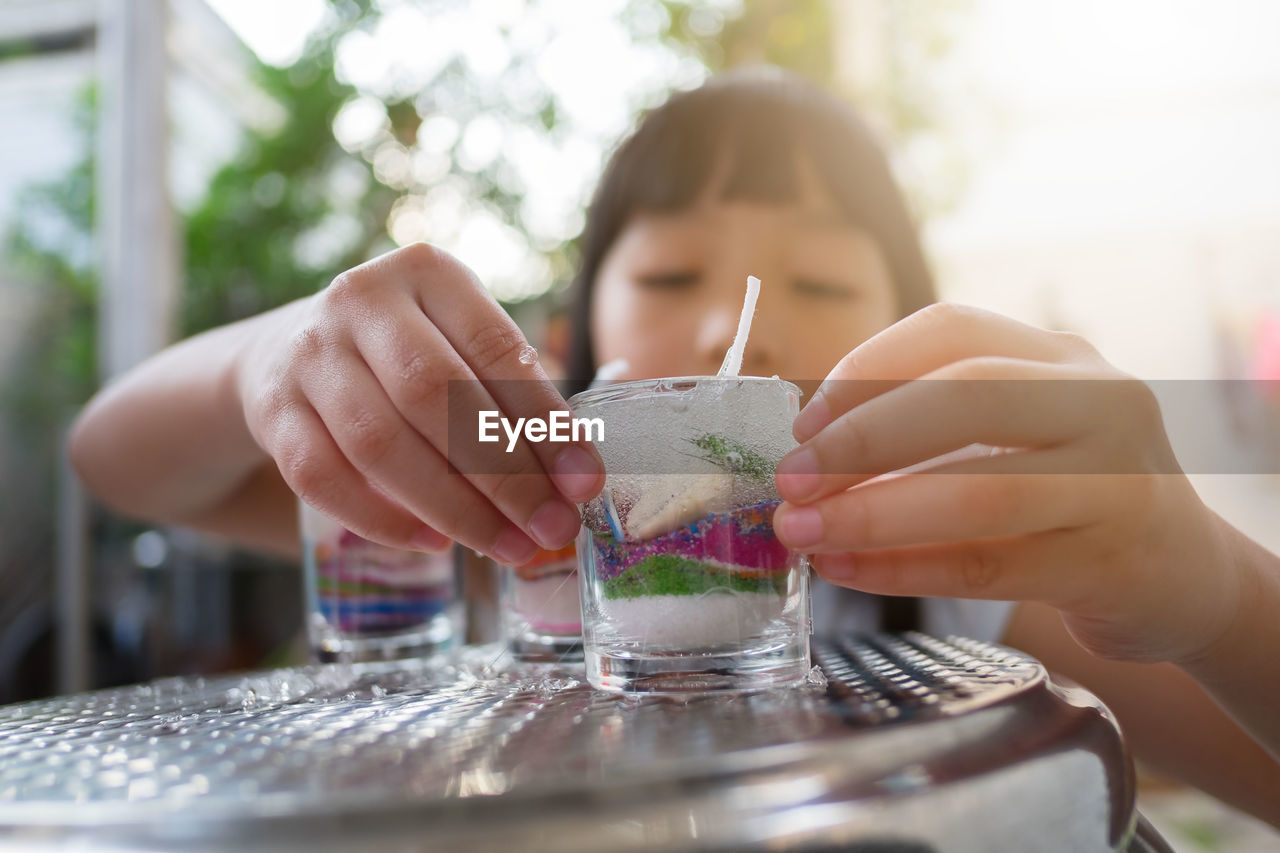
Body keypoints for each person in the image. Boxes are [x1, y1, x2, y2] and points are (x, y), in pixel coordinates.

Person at [70, 68, 1280, 825]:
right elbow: (115, 461)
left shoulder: (962, 588)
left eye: (814, 276)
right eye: (666, 275)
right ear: (568, 343)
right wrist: (266, 362)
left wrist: (1209, 587)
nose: (722, 327)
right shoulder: (520, 527)